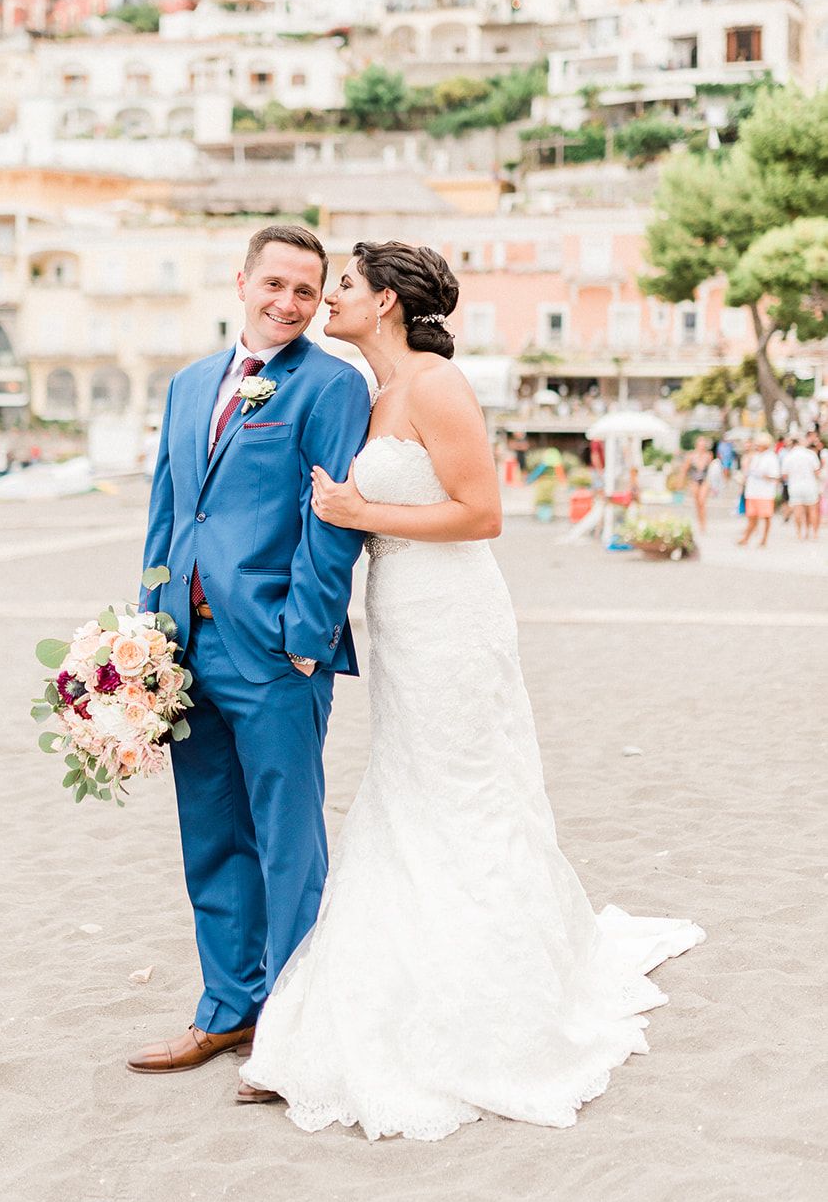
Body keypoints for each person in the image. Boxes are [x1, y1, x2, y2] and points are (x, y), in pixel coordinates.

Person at [241, 241, 704, 1140]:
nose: (324, 297)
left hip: (452, 612)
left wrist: (359, 512)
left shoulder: (435, 387)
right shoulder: (370, 396)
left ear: (383, 303)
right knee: (412, 786)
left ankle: (493, 995)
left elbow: (481, 513)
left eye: (339, 284)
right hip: (402, 618)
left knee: (465, 790)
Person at [129, 225, 371, 1094]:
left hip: (274, 654)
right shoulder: (189, 386)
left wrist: (304, 641)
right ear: (241, 282)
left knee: (288, 842)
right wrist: (148, 636)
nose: (287, 302)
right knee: (211, 836)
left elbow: (331, 522)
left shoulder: (335, 387)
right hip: (185, 653)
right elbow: (166, 512)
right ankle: (227, 1008)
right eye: (274, 283)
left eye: (306, 292)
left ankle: (292, 1028)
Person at [738, 431, 781, 548]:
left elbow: (776, 476)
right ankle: (746, 538)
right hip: (752, 491)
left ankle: (764, 539)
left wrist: (765, 476)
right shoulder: (755, 457)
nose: (756, 446)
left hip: (765, 493)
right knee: (751, 516)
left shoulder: (772, 457)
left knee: (766, 517)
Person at [781, 436, 823, 541]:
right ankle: (814, 534)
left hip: (795, 486)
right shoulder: (810, 454)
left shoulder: (789, 456)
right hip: (810, 485)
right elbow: (817, 472)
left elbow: (784, 475)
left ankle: (799, 534)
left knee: (798, 511)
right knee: (812, 510)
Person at [680, 434, 713, 533]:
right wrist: (681, 482)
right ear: (696, 445)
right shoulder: (691, 456)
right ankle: (700, 522)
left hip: (705, 481)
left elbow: (712, 470)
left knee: (702, 501)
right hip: (694, 481)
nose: (702, 446)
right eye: (700, 444)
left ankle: (703, 525)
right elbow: (684, 469)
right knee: (697, 503)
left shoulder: (708, 455)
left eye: (703, 444)